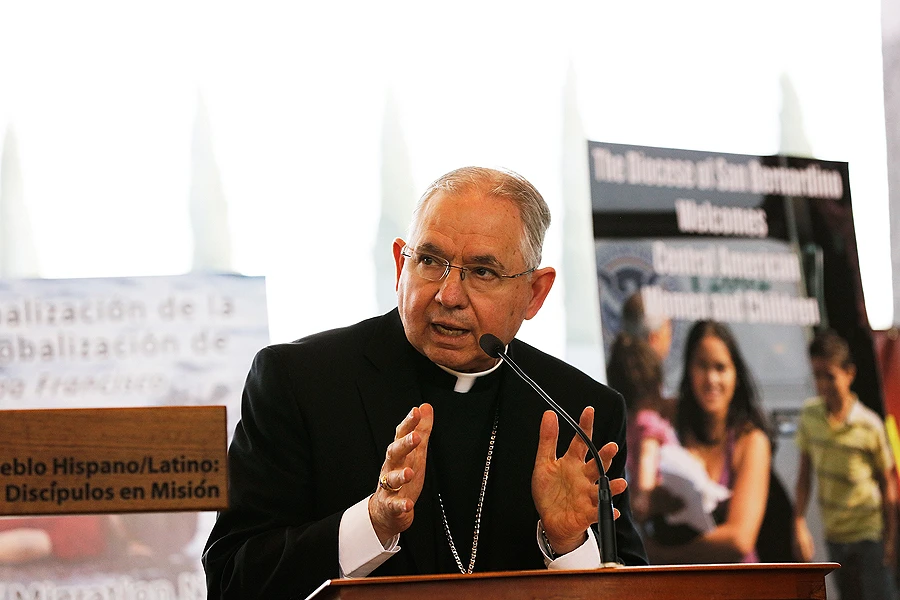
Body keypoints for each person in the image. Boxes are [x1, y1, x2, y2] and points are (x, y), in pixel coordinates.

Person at [202, 166, 647, 598]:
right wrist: (372, 523)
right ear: (401, 265)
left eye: (482, 272)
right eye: (430, 261)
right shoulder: (301, 382)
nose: (448, 295)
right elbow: (231, 579)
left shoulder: (580, 414)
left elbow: (637, 588)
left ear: (535, 293)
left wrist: (569, 544)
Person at [643, 320, 771, 564]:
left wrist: (664, 557)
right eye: (702, 366)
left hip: (737, 580)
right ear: (689, 370)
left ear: (736, 375)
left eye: (720, 368)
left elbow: (739, 540)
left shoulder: (751, 441)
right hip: (678, 581)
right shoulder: (668, 419)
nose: (711, 379)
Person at [793, 328, 898, 600]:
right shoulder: (810, 416)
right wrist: (799, 522)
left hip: (869, 534)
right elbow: (804, 476)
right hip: (835, 536)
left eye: (830, 376)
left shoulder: (869, 424)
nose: (823, 384)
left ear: (849, 373)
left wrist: (891, 538)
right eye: (817, 375)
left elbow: (887, 484)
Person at [605, 332, 677, 522]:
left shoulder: (631, 423)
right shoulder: (648, 423)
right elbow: (647, 463)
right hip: (663, 517)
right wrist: (643, 499)